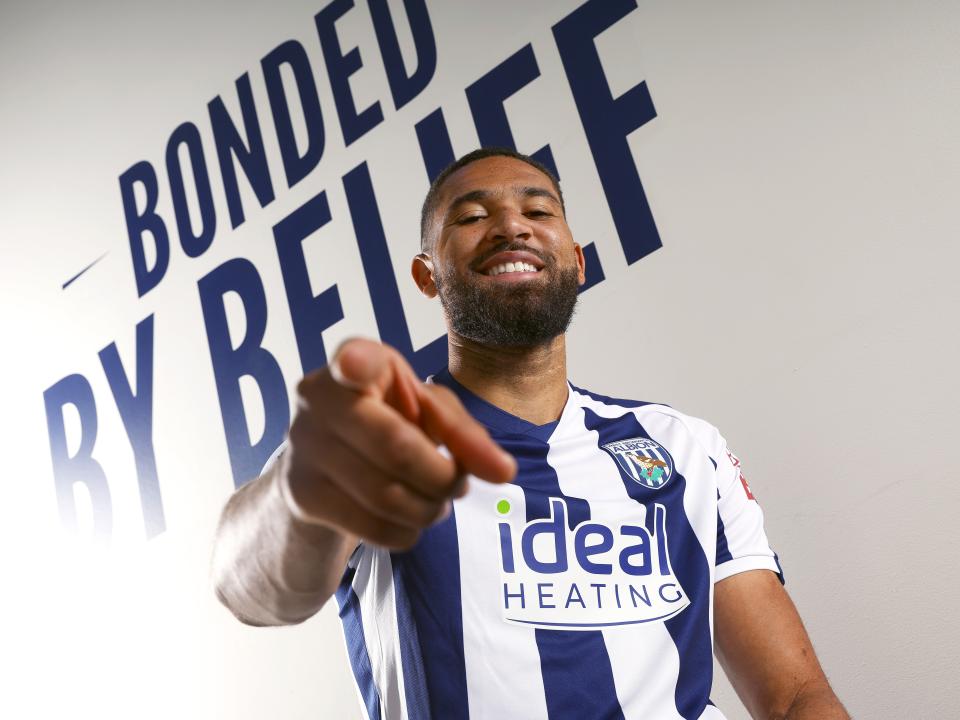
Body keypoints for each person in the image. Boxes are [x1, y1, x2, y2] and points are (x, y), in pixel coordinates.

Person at [211, 148, 848, 719]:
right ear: (427, 274)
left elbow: (794, 695)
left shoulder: (682, 446)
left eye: (538, 210)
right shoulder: (379, 436)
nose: (511, 226)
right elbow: (248, 587)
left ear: (576, 261)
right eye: (470, 217)